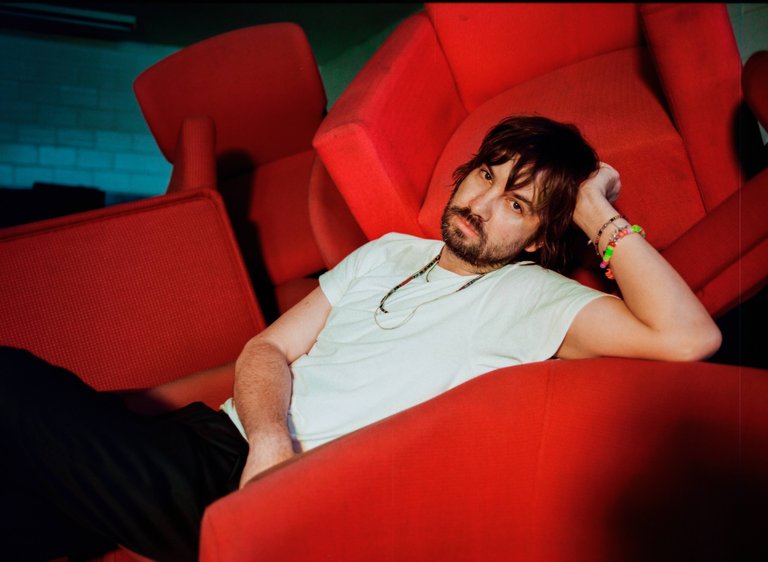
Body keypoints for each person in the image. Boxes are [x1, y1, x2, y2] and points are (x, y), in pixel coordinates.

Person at [1, 115, 721, 562]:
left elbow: (688, 337)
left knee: (11, 382)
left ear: (540, 240)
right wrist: (268, 440)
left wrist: (596, 212)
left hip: (288, 498)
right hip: (228, 447)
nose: (478, 202)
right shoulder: (387, 251)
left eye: (516, 203)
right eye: (485, 174)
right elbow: (267, 350)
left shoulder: (534, 298)